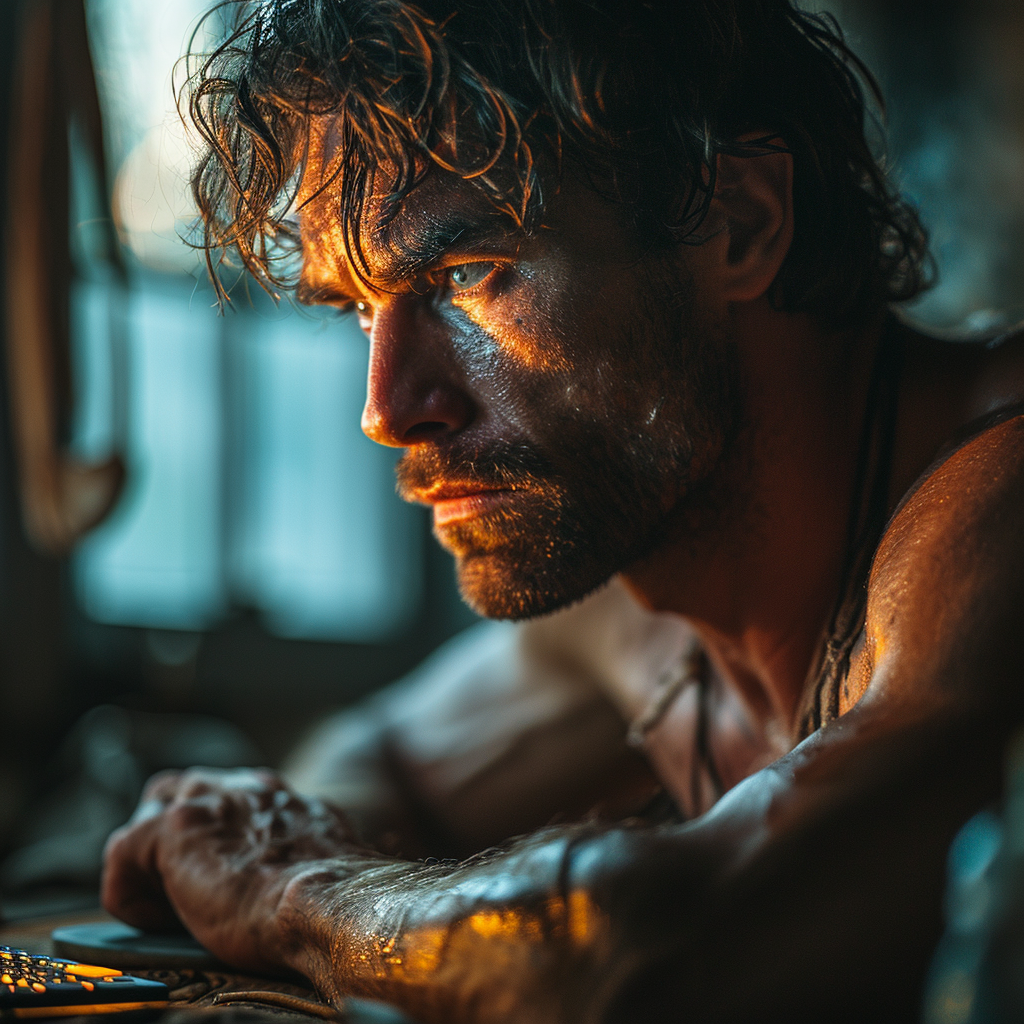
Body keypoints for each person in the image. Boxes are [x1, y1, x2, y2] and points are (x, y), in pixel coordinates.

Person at [100, 0, 1024, 1020]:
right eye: (358, 309)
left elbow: (643, 944)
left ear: (741, 223)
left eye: (466, 275)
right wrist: (286, 846)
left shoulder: (994, 500)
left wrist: (294, 896)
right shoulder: (651, 583)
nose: (386, 410)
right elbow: (377, 756)